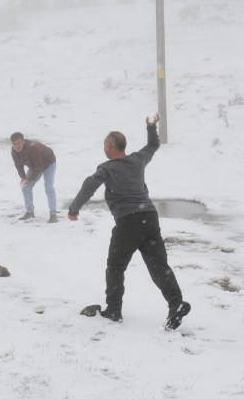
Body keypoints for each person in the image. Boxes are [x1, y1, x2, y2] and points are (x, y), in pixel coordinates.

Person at [67, 114, 191, 330]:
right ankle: (176, 303)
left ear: (109, 146)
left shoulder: (107, 168)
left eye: (105, 145)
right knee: (159, 266)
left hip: (128, 221)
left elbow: (90, 184)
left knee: (115, 266)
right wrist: (151, 127)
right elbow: (153, 145)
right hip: (149, 218)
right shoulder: (138, 159)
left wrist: (74, 208)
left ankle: (114, 310)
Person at [9, 132, 58, 222]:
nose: (17, 146)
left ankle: (53, 215)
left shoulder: (32, 148)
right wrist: (23, 178)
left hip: (49, 163)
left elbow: (40, 166)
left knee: (49, 188)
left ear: (23, 141)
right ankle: (30, 212)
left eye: (18, 143)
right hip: (34, 165)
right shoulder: (14, 151)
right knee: (25, 187)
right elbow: (18, 165)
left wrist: (30, 179)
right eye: (14, 144)